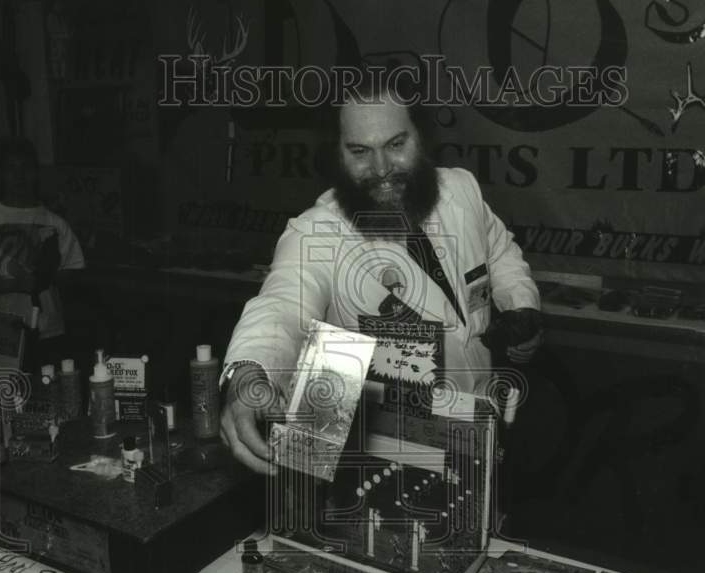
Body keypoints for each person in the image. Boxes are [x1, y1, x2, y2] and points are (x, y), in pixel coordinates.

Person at [219, 83, 542, 475]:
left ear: (420, 139)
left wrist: (521, 304)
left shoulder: (461, 190)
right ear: (337, 155)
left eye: (396, 144)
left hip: (484, 427)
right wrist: (249, 375)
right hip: (390, 458)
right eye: (360, 151)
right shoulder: (319, 232)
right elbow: (282, 306)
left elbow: (499, 248)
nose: (382, 168)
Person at [0, 136, 85, 359]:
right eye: (11, 168)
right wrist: (13, 284)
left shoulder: (56, 224)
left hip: (48, 332)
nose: (19, 175)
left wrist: (48, 274)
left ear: (36, 172)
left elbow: (72, 271)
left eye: (25, 167)